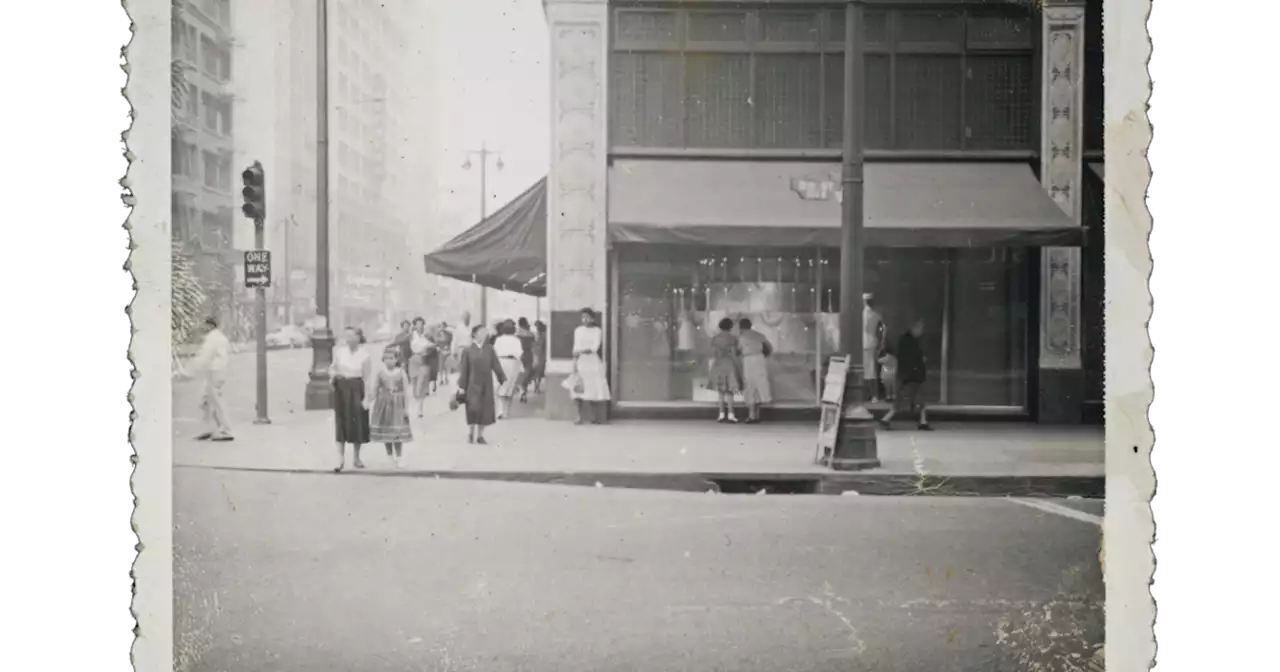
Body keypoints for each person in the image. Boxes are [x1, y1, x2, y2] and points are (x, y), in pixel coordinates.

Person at [329, 326, 372, 471]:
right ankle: (340, 459)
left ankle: (356, 457)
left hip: (357, 388)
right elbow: (333, 368)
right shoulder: (340, 352)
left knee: (357, 423)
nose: (348, 339)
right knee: (341, 423)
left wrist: (367, 397)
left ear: (359, 337)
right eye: (346, 336)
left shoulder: (364, 354)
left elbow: (367, 378)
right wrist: (334, 375)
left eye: (351, 336)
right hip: (342, 388)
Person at [184, 316, 234, 441]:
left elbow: (204, 358)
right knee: (204, 400)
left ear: (210, 326)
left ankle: (226, 430)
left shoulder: (212, 339)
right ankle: (209, 429)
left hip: (214, 372)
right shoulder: (219, 337)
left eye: (204, 325)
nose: (202, 327)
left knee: (215, 401)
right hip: (218, 372)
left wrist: (187, 371)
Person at [879, 318, 933, 431]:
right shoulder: (910, 342)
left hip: (911, 375)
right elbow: (911, 359)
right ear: (915, 328)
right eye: (920, 328)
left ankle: (923, 421)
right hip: (912, 376)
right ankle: (886, 419)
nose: (922, 331)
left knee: (918, 400)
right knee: (905, 399)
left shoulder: (908, 341)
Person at [457, 324, 506, 444]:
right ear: (474, 334)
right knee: (473, 408)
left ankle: (480, 435)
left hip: (486, 383)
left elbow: (496, 364)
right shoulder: (468, 351)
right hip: (472, 383)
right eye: (482, 332)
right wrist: (462, 387)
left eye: (485, 332)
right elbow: (464, 370)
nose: (484, 335)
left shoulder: (489, 349)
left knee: (484, 409)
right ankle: (470, 432)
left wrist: (502, 378)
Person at [367, 345, 413, 468]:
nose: (389, 361)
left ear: (397, 359)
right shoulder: (381, 373)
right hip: (383, 404)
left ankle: (399, 456)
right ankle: (389, 455)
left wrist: (406, 408)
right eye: (386, 358)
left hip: (397, 405)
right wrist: (369, 400)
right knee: (386, 431)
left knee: (397, 430)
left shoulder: (401, 373)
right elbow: (375, 389)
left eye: (392, 358)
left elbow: (406, 391)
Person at [570, 308, 611, 424]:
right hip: (581, 362)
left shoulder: (597, 331)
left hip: (592, 363)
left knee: (593, 389)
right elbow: (575, 347)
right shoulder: (578, 330)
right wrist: (575, 362)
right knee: (578, 389)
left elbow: (594, 348)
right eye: (583, 317)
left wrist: (582, 351)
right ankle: (579, 416)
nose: (585, 319)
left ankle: (594, 416)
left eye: (587, 317)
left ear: (592, 319)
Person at [737, 317, 773, 424]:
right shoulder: (759, 335)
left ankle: (752, 415)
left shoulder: (741, 337)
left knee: (750, 386)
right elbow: (769, 348)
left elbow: (737, 350)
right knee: (760, 385)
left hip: (748, 360)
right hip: (760, 359)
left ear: (741, 327)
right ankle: (757, 414)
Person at [708, 317, 742, 423]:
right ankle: (731, 414)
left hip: (718, 364)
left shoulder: (715, 338)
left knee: (721, 391)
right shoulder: (733, 338)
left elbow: (713, 353)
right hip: (729, 364)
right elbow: (735, 353)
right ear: (730, 327)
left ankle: (721, 414)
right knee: (730, 391)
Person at [493, 321, 524, 419]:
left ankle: (500, 411)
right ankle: (506, 410)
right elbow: (519, 353)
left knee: (500, 385)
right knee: (510, 386)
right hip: (512, 362)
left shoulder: (498, 340)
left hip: (500, 361)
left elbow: (494, 352)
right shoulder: (516, 340)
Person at [408, 317, 433, 417]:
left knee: (421, 386)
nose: (420, 325)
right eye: (418, 324)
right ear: (414, 325)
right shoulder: (412, 336)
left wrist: (428, 348)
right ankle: (416, 405)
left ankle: (420, 410)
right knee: (414, 386)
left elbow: (432, 345)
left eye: (422, 324)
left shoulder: (425, 337)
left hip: (423, 360)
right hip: (414, 361)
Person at [863, 293, 885, 402]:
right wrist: (880, 342)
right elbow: (881, 330)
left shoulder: (861, 314)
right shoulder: (876, 315)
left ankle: (870, 394)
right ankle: (873, 395)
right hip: (872, 342)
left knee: (867, 370)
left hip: (863, 343)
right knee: (871, 370)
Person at [515, 317, 537, 402]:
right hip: (528, 355)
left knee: (521, 373)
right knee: (529, 372)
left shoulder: (517, 335)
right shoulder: (530, 335)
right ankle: (523, 388)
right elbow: (534, 346)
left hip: (520, 355)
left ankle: (522, 389)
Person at [434, 320, 454, 386]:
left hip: (447, 351)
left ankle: (446, 378)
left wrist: (447, 348)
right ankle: (441, 379)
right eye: (441, 326)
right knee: (441, 366)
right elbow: (436, 343)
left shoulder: (449, 334)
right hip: (440, 351)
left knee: (447, 365)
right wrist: (439, 348)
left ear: (445, 327)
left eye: (444, 326)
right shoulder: (437, 334)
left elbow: (450, 342)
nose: (442, 327)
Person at [531, 320, 547, 393]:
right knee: (537, 371)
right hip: (537, 354)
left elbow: (540, 345)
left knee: (538, 371)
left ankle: (537, 385)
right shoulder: (539, 335)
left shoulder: (543, 335)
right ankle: (536, 385)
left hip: (539, 354)